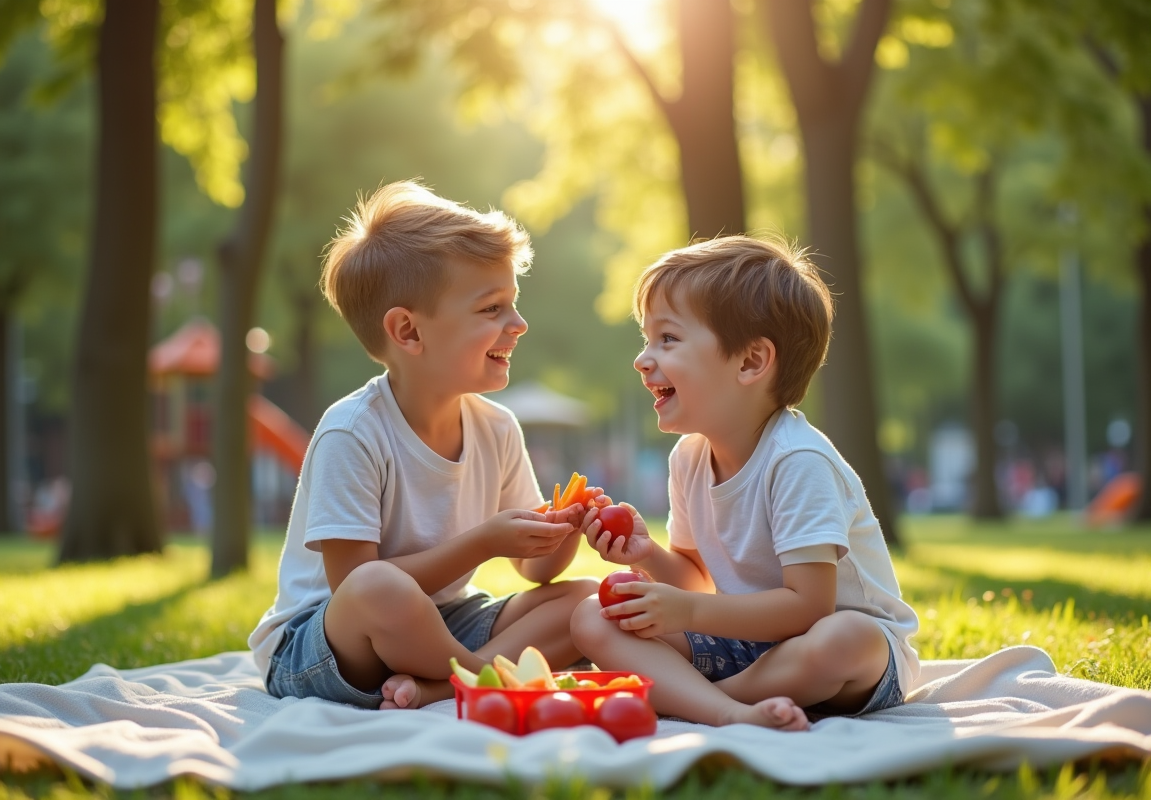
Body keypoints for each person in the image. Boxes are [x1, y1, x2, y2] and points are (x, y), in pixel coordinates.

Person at [249, 181, 599, 711]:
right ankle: (490, 676)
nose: (519, 324)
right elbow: (354, 586)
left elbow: (535, 571)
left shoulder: (498, 428)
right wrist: (484, 543)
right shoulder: (352, 432)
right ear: (408, 331)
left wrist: (563, 530)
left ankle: (445, 683)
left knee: (587, 599)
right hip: (325, 642)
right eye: (492, 308)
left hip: (442, 622)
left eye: (514, 304)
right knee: (380, 589)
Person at [571, 235, 920, 732]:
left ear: (751, 361)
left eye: (667, 339)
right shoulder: (689, 457)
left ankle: (695, 700)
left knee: (843, 637)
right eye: (646, 340)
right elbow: (696, 579)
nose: (643, 359)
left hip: (843, 659)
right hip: (745, 644)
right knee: (593, 616)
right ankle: (728, 709)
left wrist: (689, 611)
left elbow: (807, 609)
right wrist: (647, 556)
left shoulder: (797, 460)